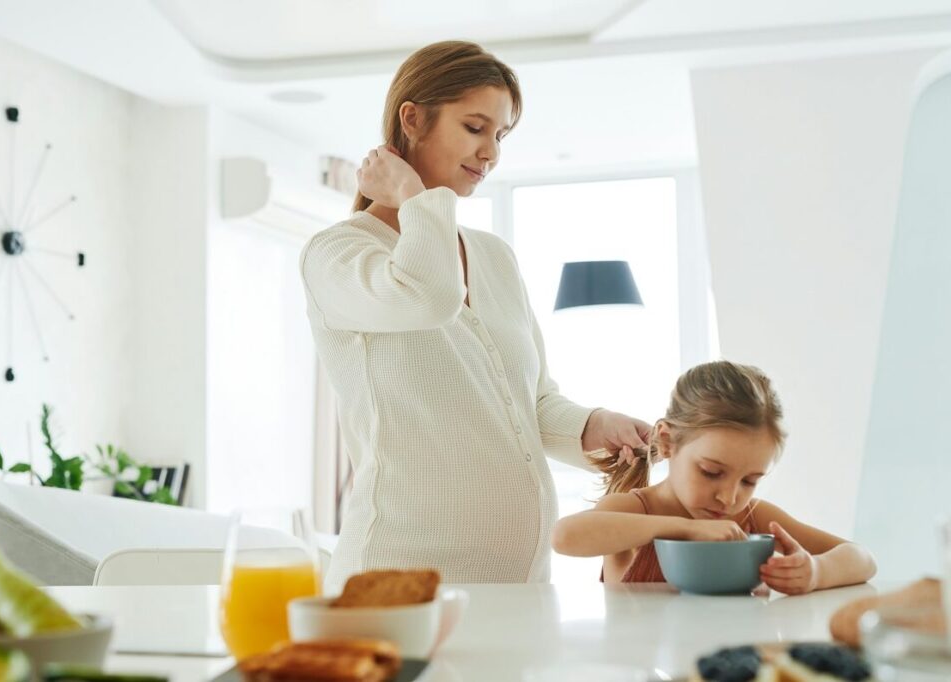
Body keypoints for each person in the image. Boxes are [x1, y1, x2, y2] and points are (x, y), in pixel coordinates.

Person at [299, 41, 650, 592]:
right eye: (475, 127)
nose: (490, 153)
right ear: (411, 120)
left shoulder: (494, 257)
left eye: (501, 135)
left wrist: (592, 426)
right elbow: (428, 297)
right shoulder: (338, 255)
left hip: (521, 584)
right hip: (399, 583)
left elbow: (528, 402)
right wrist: (415, 196)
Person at [551, 360, 877, 594]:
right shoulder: (634, 511)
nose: (729, 497)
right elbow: (564, 537)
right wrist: (686, 528)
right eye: (711, 472)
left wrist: (816, 572)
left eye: (750, 480)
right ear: (666, 442)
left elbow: (862, 558)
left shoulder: (751, 516)